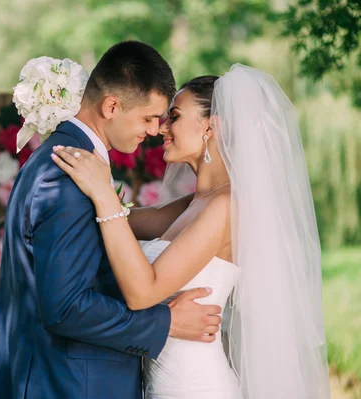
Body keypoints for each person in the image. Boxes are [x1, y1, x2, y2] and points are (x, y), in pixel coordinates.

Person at [51, 64, 330, 398]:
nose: (162, 128)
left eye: (175, 116)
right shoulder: (193, 204)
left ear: (211, 127)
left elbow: (143, 292)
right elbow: (121, 221)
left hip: (195, 387)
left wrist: (101, 193)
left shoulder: (226, 207)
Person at [0, 41, 224, 399]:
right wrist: (166, 322)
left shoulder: (69, 164)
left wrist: (107, 198)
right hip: (71, 384)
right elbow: (65, 308)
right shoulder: (67, 175)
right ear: (111, 105)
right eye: (148, 118)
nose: (155, 130)